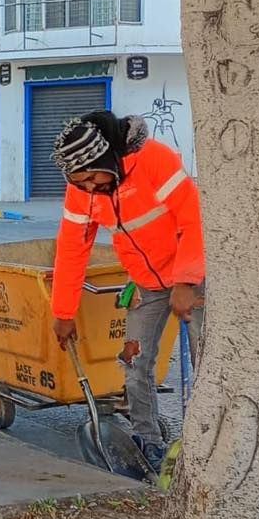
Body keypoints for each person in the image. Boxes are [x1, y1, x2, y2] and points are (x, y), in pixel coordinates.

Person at [49, 111, 205, 470]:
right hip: (145, 283)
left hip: (190, 275)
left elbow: (192, 217)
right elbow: (72, 249)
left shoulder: (154, 160)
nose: (88, 187)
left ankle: (205, 443)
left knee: (207, 363)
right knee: (134, 364)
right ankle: (148, 441)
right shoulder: (81, 193)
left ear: (105, 159)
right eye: (79, 182)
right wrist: (63, 312)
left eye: (91, 177)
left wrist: (185, 281)